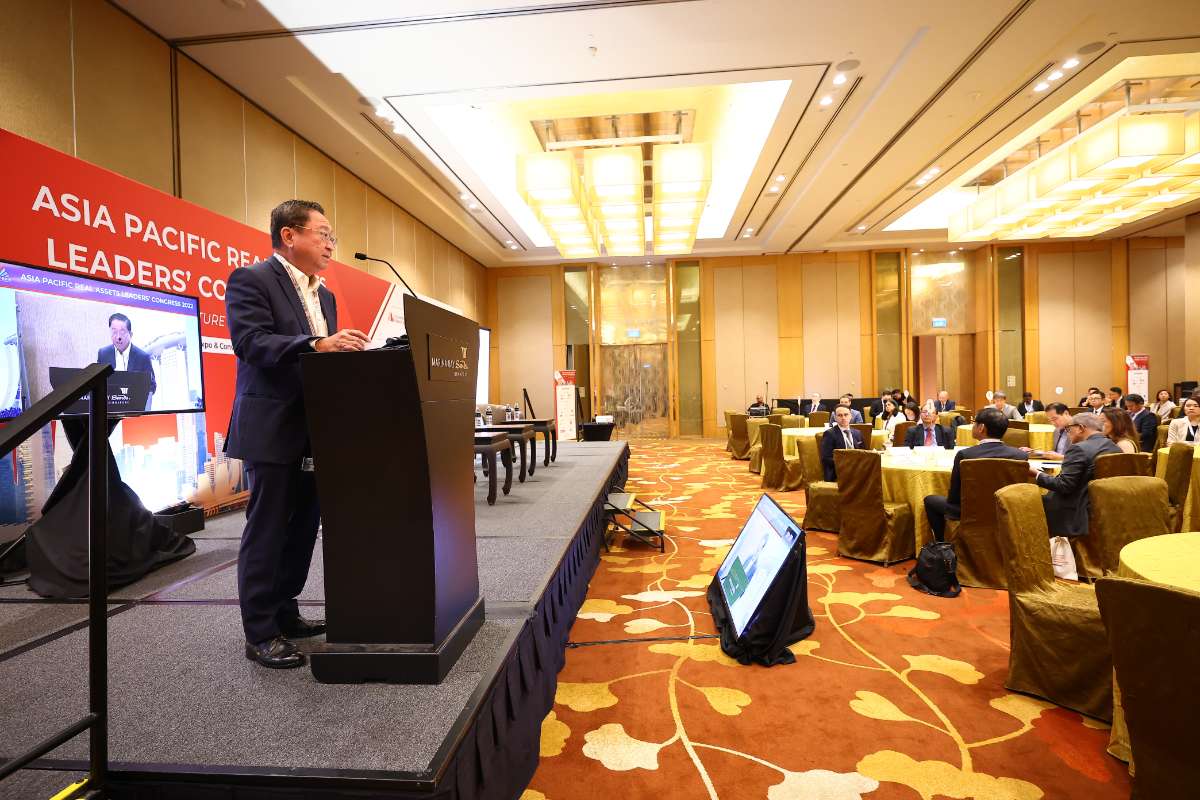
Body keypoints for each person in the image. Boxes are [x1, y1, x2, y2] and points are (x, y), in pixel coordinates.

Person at [225, 199, 370, 670]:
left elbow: (321, 360)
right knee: (268, 530)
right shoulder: (251, 279)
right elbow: (250, 342)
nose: (330, 245)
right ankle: (260, 631)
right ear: (289, 235)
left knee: (303, 527)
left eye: (332, 237)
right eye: (323, 234)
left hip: (316, 428)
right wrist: (317, 343)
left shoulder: (325, 296)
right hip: (272, 428)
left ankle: (285, 612)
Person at [923, 407, 1027, 542]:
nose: (972, 426)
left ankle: (943, 544)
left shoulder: (966, 455)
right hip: (1005, 510)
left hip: (970, 511)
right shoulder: (1020, 455)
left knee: (930, 500)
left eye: (974, 423)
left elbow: (955, 495)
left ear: (981, 428)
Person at [1031, 413, 1121, 537]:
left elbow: (1064, 486)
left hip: (1076, 509)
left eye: (1068, 429)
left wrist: (1036, 474)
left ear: (1080, 428)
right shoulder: (1115, 447)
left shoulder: (1078, 449)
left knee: (1029, 502)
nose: (1067, 433)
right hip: (1105, 507)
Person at [97, 312, 157, 409]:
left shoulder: (142, 357)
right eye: (114, 332)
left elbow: (151, 385)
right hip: (109, 409)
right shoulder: (103, 354)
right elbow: (98, 382)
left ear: (130, 334)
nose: (118, 337)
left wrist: (144, 410)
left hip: (134, 408)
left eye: (122, 332)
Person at [819, 404, 865, 481]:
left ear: (850, 416)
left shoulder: (858, 433)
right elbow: (826, 458)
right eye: (840, 415)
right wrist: (847, 463)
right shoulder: (829, 434)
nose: (843, 418)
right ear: (835, 418)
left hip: (857, 470)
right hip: (838, 472)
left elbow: (865, 453)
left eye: (846, 415)